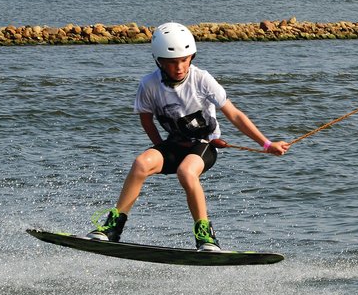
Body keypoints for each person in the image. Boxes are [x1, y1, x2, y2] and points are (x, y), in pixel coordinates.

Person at [87, 22, 289, 251]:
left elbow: (234, 115)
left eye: (184, 60)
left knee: (186, 171)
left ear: (191, 56)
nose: (179, 67)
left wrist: (267, 144)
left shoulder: (202, 79)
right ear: (159, 61)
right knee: (141, 163)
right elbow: (146, 120)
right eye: (172, 62)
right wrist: (161, 148)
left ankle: (206, 237)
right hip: (173, 145)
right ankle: (113, 228)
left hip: (204, 146)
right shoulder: (149, 85)